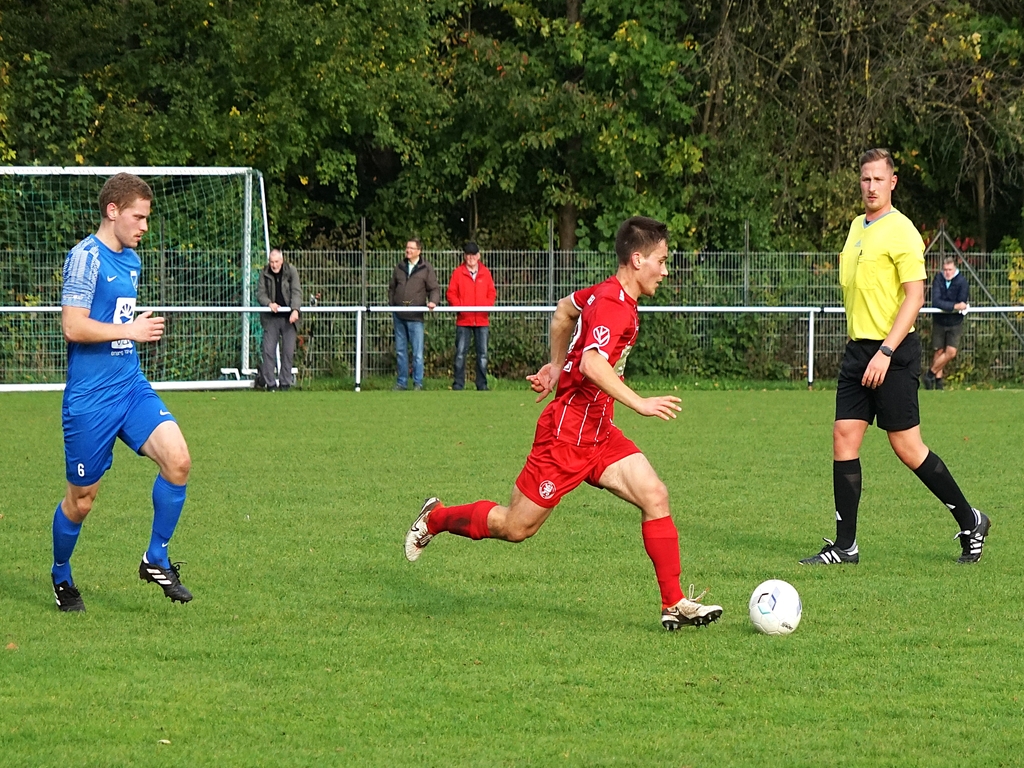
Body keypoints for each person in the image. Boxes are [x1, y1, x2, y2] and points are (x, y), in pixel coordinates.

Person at [404, 216, 724, 631]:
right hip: (566, 436)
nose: (665, 271)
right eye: (661, 261)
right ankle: (436, 518)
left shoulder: (605, 294)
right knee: (515, 527)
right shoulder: (613, 305)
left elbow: (563, 310)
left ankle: (673, 602)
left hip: (599, 432)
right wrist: (639, 403)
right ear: (637, 259)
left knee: (655, 495)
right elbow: (592, 363)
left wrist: (556, 366)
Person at [801, 148, 990, 567]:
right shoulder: (856, 227)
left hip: (894, 351)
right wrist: (865, 347)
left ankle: (971, 520)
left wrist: (886, 351)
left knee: (907, 447)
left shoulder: (902, 230)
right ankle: (845, 546)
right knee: (843, 437)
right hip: (858, 351)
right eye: (865, 179)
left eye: (878, 179)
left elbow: (915, 297)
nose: (870, 187)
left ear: (893, 182)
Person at [52, 172, 193, 612]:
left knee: (178, 461)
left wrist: (130, 332)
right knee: (82, 501)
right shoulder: (85, 259)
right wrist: (130, 330)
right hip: (90, 401)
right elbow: (72, 326)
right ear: (112, 211)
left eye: (147, 218)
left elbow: (116, 322)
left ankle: (156, 557)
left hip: (130, 386)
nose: (144, 226)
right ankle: (61, 575)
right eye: (138, 217)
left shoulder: (132, 260)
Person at [388, 237, 440, 390]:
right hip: (399, 316)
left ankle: (418, 383)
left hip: (416, 317)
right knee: (400, 352)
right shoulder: (399, 267)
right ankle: (402, 382)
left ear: (419, 251)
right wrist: (392, 304)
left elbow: (434, 289)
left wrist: (433, 302)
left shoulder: (426, 268)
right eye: (407, 247)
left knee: (417, 353)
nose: (408, 250)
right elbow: (392, 288)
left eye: (411, 248)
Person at [446, 241, 496, 391]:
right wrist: (460, 308)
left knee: (483, 355)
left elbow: (491, 293)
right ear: (464, 256)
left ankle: (482, 384)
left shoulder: (485, 273)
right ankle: (458, 384)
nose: (471, 258)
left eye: (473, 255)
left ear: (478, 256)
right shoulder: (457, 273)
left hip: (482, 320)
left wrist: (485, 307)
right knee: (460, 354)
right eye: (468, 255)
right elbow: (451, 294)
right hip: (464, 320)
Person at [256, 248, 302, 390]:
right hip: (271, 318)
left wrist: (295, 309)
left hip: (289, 318)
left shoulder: (291, 271)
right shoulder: (264, 273)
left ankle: (285, 383)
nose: (274, 265)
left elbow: (296, 291)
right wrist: (269, 304)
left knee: (288, 352)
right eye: (271, 262)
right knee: (268, 351)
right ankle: (270, 384)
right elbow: (260, 294)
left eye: (276, 262)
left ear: (282, 261)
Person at [923, 256, 969, 390]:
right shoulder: (938, 279)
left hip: (955, 321)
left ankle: (929, 374)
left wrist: (951, 306)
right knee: (939, 351)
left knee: (951, 352)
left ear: (955, 269)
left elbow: (962, 301)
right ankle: (938, 383)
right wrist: (954, 306)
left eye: (950, 270)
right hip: (939, 320)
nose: (947, 272)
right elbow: (936, 301)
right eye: (945, 270)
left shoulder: (962, 281)